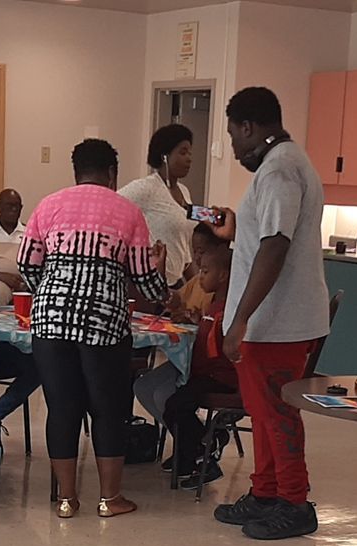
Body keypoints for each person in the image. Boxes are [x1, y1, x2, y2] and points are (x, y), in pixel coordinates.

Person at [18, 138, 167, 519]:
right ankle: (109, 498)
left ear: (75, 172)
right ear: (112, 174)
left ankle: (67, 500)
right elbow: (146, 284)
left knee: (61, 408)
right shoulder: (128, 212)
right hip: (105, 324)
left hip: (50, 322)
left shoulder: (49, 205)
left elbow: (28, 265)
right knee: (108, 409)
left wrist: (56, 293)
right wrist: (160, 271)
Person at [209, 86, 330, 541]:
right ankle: (266, 493)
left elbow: (275, 245)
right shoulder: (283, 165)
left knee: (277, 413)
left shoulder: (280, 169)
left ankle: (295, 503)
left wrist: (239, 319)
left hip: (277, 323)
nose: (235, 148)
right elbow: (267, 233)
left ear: (248, 127)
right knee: (262, 413)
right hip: (272, 321)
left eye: (234, 137)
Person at [135, 225, 236, 487]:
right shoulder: (207, 294)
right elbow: (174, 301)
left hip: (212, 372)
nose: (198, 261)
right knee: (148, 389)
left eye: (203, 255)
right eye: (195, 252)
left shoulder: (226, 308)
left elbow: (218, 349)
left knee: (171, 400)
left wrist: (198, 324)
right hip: (197, 366)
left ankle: (198, 448)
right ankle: (197, 445)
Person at [118, 123, 198, 286]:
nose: (189, 158)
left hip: (175, 282)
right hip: (150, 283)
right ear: (165, 156)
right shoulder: (146, 188)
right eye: (183, 152)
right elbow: (112, 204)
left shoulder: (184, 191)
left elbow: (181, 244)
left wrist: (196, 285)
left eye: (190, 152)